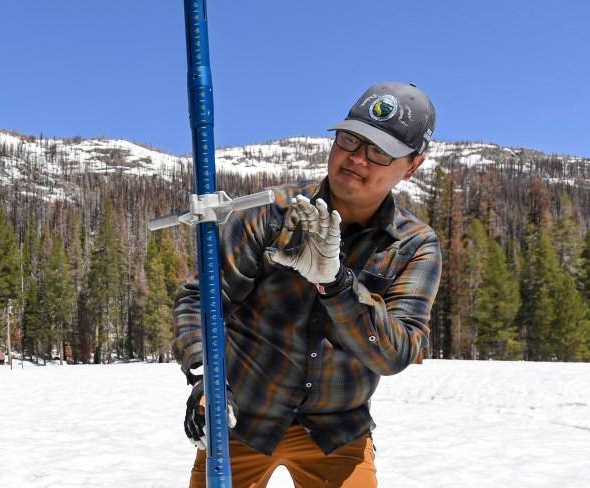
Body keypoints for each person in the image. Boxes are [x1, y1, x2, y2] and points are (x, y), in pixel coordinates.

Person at [174, 82, 440, 488]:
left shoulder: (413, 245)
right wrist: (205, 381)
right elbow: (202, 300)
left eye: (379, 151)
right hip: (241, 422)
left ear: (412, 166)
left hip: (337, 433)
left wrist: (336, 284)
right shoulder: (270, 213)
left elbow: (396, 354)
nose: (357, 158)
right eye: (350, 139)